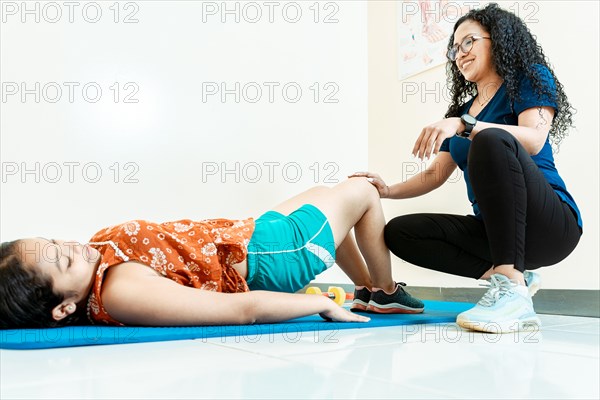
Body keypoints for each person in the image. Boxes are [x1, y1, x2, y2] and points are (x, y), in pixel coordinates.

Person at [352, 3, 582, 333]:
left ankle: (513, 292)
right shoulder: (461, 111)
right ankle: (511, 279)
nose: (459, 54)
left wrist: (466, 125)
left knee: (490, 139)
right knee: (401, 232)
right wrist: (387, 190)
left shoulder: (530, 78)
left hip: (550, 225)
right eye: (455, 48)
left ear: (499, 39)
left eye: (468, 42)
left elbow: (533, 139)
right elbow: (435, 174)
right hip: (498, 233)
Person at [0, 177, 425, 329]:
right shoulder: (120, 291)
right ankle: (385, 291)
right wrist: (315, 305)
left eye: (56, 241)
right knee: (364, 190)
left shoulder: (97, 260)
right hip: (272, 257)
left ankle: (366, 288)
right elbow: (242, 310)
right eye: (62, 259)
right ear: (61, 309)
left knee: (324, 194)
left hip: (246, 236)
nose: (70, 246)